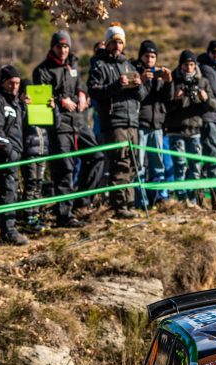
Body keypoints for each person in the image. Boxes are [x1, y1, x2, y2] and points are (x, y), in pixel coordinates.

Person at [87, 23, 145, 219]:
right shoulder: (99, 65)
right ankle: (119, 206)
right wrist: (115, 85)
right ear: (108, 43)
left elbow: (142, 95)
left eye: (121, 42)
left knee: (133, 163)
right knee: (119, 163)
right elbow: (94, 91)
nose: (117, 45)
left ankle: (129, 203)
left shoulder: (129, 65)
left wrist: (138, 86)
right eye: (114, 42)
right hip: (114, 121)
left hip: (132, 122)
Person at [33, 30, 85, 228]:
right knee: (64, 169)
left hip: (78, 123)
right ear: (52, 47)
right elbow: (40, 99)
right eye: (59, 46)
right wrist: (60, 100)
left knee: (96, 156)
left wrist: (81, 94)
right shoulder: (41, 71)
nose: (63, 50)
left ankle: (82, 200)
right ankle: (65, 215)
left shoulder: (73, 65)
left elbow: (79, 84)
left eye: (65, 46)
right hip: (58, 125)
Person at [0, 65, 30, 246]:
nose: (15, 86)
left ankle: (9, 228)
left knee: (11, 191)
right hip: (3, 155)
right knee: (8, 191)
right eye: (11, 83)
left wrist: (25, 106)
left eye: (17, 83)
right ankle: (8, 231)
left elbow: (20, 127)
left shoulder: (16, 102)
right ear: (3, 83)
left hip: (15, 153)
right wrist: (9, 151)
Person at [163, 50, 216, 205]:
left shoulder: (202, 82)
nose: (189, 67)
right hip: (176, 130)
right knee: (179, 165)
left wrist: (205, 99)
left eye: (192, 64)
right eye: (186, 64)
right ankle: (181, 199)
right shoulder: (172, 80)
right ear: (181, 65)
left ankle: (193, 199)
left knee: (195, 166)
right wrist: (175, 99)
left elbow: (213, 106)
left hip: (194, 130)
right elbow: (164, 107)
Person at [134, 39, 171, 205]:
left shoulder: (160, 75)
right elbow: (135, 96)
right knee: (139, 166)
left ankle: (160, 198)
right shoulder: (133, 71)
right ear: (141, 56)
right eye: (147, 56)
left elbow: (167, 98)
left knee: (158, 165)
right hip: (140, 123)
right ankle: (141, 201)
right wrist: (142, 80)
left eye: (153, 56)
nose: (150, 59)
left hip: (157, 125)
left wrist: (168, 82)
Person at [19, 78, 49, 232]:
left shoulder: (41, 106)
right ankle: (28, 218)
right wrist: (24, 106)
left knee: (38, 184)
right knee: (30, 184)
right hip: (29, 151)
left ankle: (35, 216)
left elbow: (54, 123)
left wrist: (52, 108)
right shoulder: (20, 107)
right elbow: (19, 125)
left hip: (42, 151)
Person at [196, 40, 216, 182]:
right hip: (208, 116)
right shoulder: (207, 69)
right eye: (214, 52)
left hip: (212, 116)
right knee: (212, 155)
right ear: (208, 52)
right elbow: (215, 92)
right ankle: (213, 193)